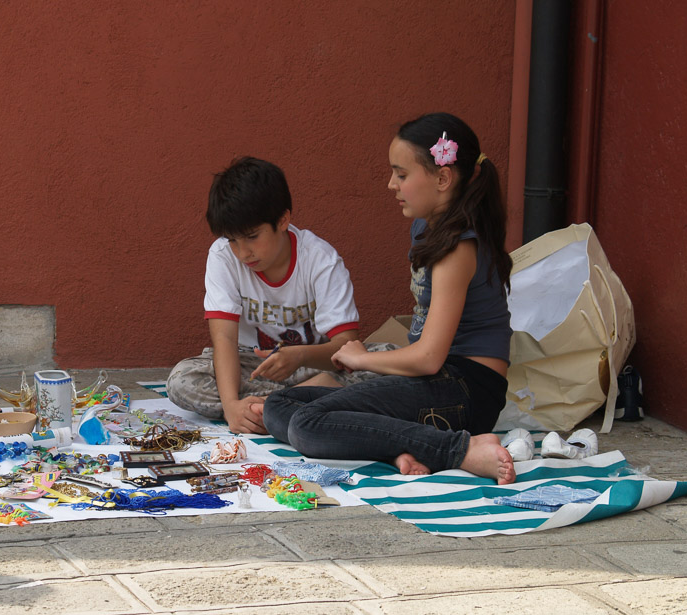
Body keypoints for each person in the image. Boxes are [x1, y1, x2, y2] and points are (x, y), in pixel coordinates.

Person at [262, 113, 516, 484]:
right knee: (279, 405)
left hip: (466, 390)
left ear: (443, 178)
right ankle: (401, 447)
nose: (391, 184)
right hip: (438, 380)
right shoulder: (427, 229)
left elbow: (429, 358)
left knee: (307, 424)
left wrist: (363, 358)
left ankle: (459, 450)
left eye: (401, 174)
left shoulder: (456, 248)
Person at [166, 156, 363, 434]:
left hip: (312, 364)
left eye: (252, 236)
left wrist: (299, 357)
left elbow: (346, 345)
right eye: (232, 239)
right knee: (181, 380)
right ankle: (283, 406)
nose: (242, 252)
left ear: (283, 220)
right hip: (250, 367)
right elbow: (223, 339)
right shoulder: (223, 257)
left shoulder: (320, 259)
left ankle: (266, 408)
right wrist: (231, 404)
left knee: (381, 365)